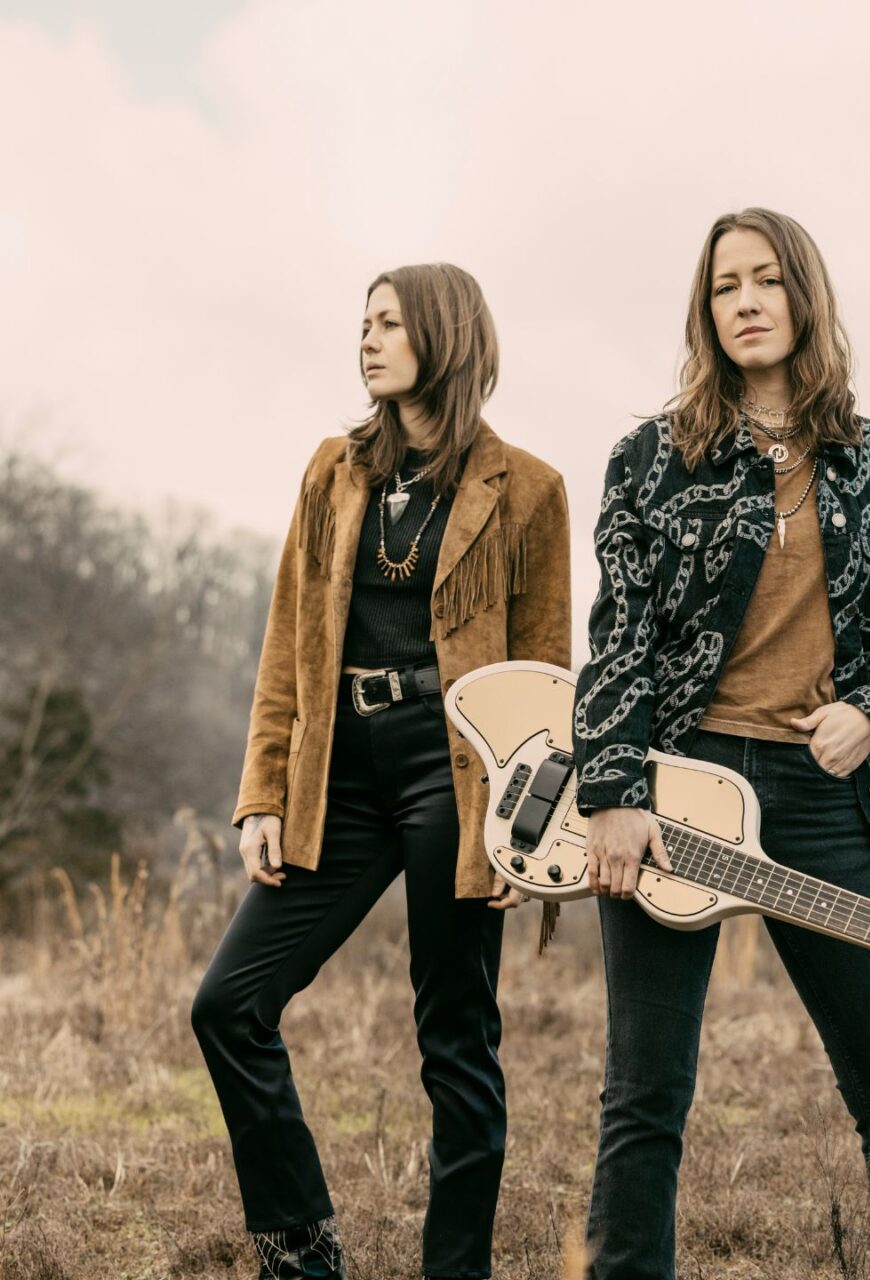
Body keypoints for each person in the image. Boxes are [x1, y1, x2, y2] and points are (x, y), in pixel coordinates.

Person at [572, 208, 870, 1278]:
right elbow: (617, 636)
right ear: (704, 313)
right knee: (646, 1089)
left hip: (822, 797)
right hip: (674, 786)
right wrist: (611, 788)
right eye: (722, 287)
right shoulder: (651, 459)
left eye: (763, 280)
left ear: (802, 294)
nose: (744, 301)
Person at [191, 263, 571, 1280]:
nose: (367, 339)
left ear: (444, 336)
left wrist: (518, 831)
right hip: (338, 769)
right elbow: (287, 642)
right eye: (362, 322)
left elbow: (545, 677)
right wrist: (263, 791)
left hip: (460, 776)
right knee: (228, 1004)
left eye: (390, 322)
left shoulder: (527, 488)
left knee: (455, 1039)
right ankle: (303, 1255)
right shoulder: (331, 469)